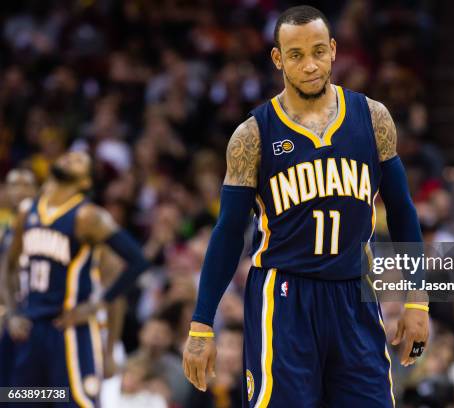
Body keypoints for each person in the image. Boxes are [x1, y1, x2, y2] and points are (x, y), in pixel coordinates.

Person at [182, 5, 428, 407]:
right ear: (278, 58)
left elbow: (402, 212)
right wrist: (201, 324)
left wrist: (417, 298)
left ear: (333, 50)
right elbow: (227, 233)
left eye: (318, 51)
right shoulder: (252, 136)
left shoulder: (374, 118)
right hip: (284, 298)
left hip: (354, 294)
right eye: (296, 55)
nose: (310, 65)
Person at [1, 151, 149, 407]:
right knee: (18, 400)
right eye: (69, 156)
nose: (71, 158)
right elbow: (8, 265)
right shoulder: (29, 212)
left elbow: (137, 261)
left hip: (68, 330)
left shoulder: (88, 217)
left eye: (81, 161)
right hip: (30, 328)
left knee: (75, 401)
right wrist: (13, 312)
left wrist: (99, 304)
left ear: (85, 182)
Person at [0, 168, 37, 386]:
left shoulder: (47, 224)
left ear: (36, 189)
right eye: (14, 185)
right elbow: (6, 274)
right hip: (14, 316)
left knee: (50, 390)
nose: (20, 191)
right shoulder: (8, 230)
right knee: (7, 390)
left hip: (41, 317)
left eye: (26, 184)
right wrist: (8, 312)